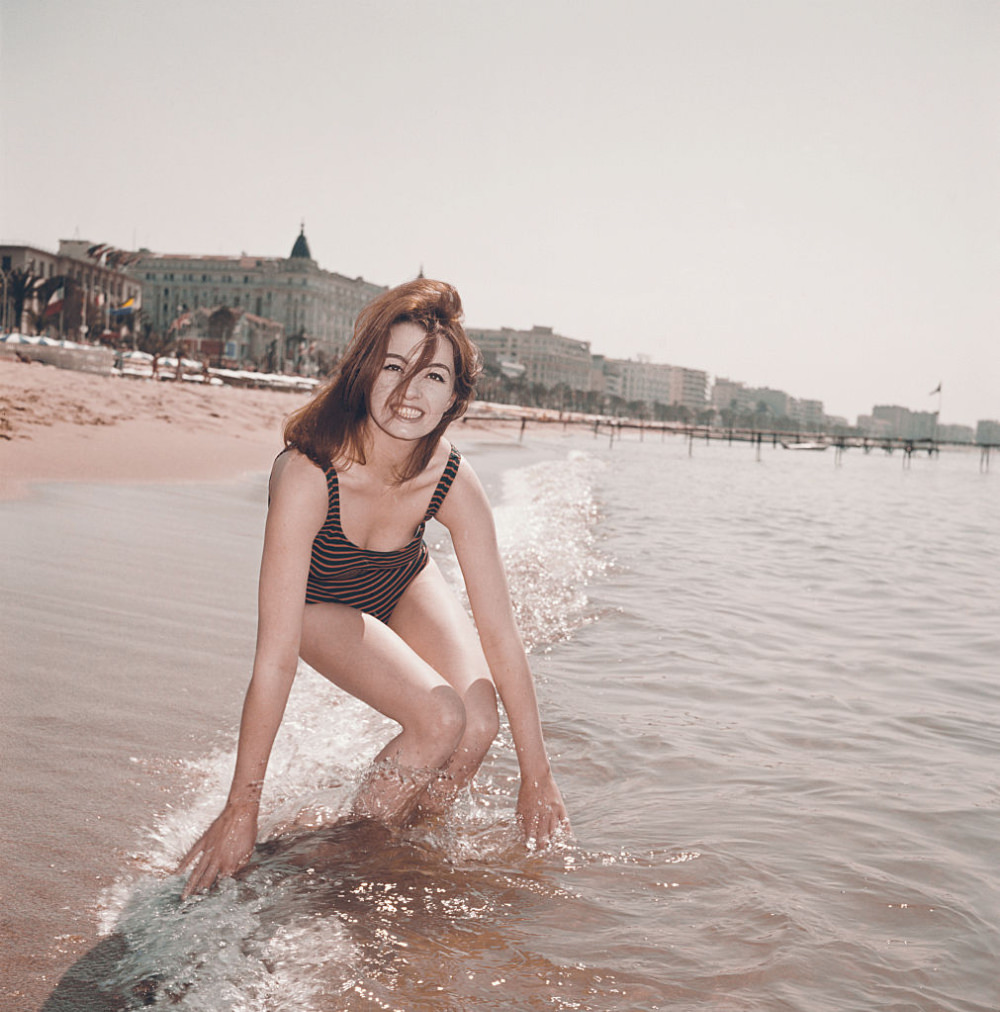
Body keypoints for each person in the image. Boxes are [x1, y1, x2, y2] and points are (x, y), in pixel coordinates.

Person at [178, 279, 569, 898]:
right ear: (365, 371)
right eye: (394, 366)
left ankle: (398, 852)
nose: (410, 391)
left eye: (433, 377)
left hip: (400, 579)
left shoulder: (452, 477)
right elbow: (274, 659)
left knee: (478, 723)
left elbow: (500, 633)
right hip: (317, 604)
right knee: (439, 718)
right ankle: (349, 852)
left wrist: (537, 775)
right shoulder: (310, 471)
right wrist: (240, 808)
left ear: (455, 400)